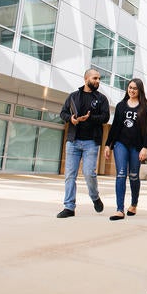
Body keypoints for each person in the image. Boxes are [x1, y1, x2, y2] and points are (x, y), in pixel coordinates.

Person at [57, 68, 110, 218]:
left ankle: (95, 197)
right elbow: (63, 113)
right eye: (95, 78)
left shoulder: (102, 99)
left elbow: (105, 117)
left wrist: (90, 118)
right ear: (86, 78)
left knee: (89, 173)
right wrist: (71, 119)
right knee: (70, 175)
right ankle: (69, 207)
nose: (98, 81)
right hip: (73, 141)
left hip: (91, 143)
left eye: (99, 79)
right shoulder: (73, 96)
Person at [104, 78, 147, 221]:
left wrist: (145, 147)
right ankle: (119, 209)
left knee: (133, 175)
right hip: (121, 144)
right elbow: (115, 127)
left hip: (137, 146)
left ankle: (134, 204)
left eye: (135, 88)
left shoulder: (145, 107)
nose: (131, 90)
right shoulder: (120, 106)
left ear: (140, 90)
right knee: (120, 174)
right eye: (130, 87)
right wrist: (108, 144)